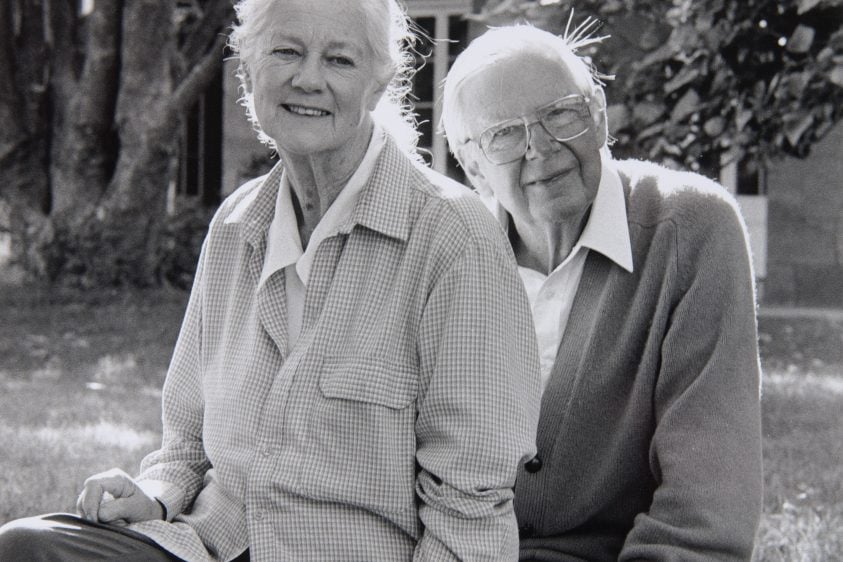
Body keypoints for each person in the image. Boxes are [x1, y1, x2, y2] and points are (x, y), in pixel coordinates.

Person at [0, 2, 541, 560]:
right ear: (247, 71)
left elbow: (470, 504)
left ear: (379, 84)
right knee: (26, 547)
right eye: (286, 51)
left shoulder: (452, 236)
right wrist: (157, 496)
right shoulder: (237, 225)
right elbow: (185, 441)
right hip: (209, 545)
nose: (308, 79)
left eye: (339, 59)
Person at [441, 24, 764, 561]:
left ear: (598, 116)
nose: (540, 147)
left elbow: (704, 516)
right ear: (472, 164)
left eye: (561, 113)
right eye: (505, 134)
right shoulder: (449, 256)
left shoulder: (690, 229)